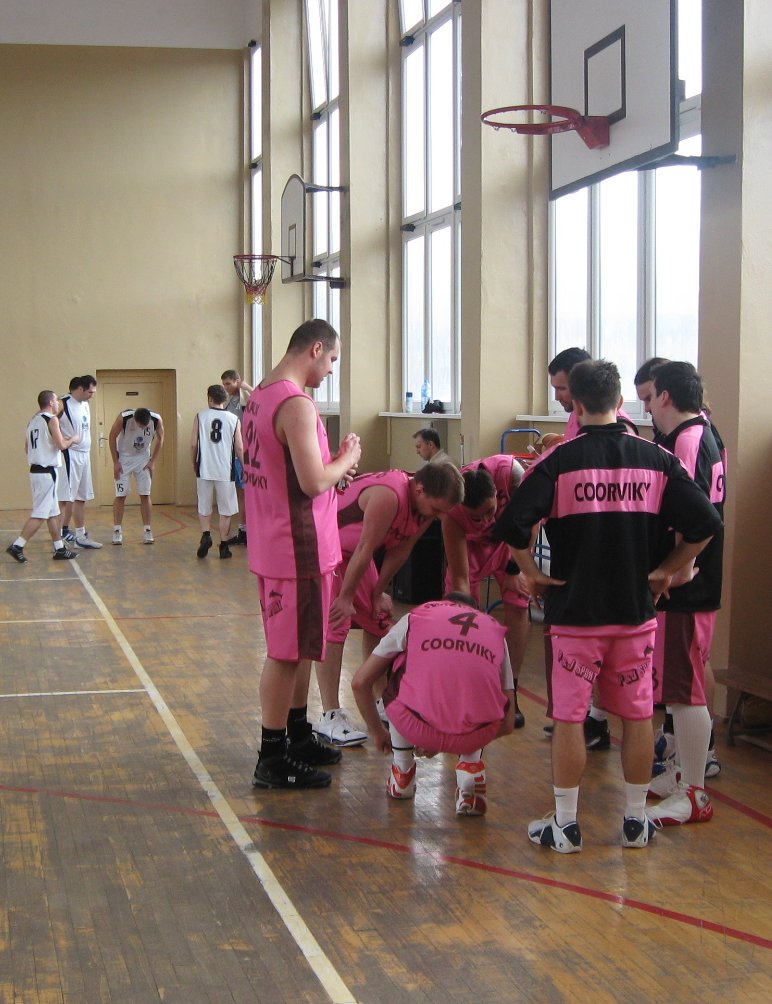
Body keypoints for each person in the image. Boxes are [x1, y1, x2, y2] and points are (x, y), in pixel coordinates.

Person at [493, 359, 722, 853]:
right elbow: (706, 522)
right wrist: (668, 570)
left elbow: (512, 525)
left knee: (571, 719)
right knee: (637, 717)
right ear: (620, 402)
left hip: (575, 616)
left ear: (575, 404)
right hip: (636, 615)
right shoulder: (657, 459)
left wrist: (531, 572)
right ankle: (636, 821)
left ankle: (566, 825)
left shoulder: (558, 462)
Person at [243, 319, 362, 790]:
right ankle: (272, 756)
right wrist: (347, 458)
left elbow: (293, 473)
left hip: (277, 542)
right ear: (315, 349)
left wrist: (333, 472)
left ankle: (295, 732)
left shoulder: (261, 394)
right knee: (285, 654)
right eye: (331, 359)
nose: (331, 369)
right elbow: (312, 482)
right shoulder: (295, 403)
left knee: (300, 647)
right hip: (297, 548)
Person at [314, 463, 465, 746]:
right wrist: (345, 598)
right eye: (437, 509)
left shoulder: (425, 510)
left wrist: (378, 592)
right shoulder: (389, 496)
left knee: (379, 618)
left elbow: (401, 550)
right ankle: (330, 714)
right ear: (419, 490)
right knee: (337, 622)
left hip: (354, 554)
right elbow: (365, 548)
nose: (440, 517)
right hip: (328, 547)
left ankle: (380, 699)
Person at [644, 362, 726, 826]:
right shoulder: (704, 432)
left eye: (651, 396)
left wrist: (673, 574)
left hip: (690, 586)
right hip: (691, 582)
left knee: (686, 691)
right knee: (678, 688)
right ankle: (681, 773)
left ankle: (694, 792)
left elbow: (697, 518)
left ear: (667, 396)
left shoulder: (689, 440)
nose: (648, 407)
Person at [546, 347, 638, 747]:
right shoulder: (575, 423)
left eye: (562, 389)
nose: (558, 397)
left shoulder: (627, 435)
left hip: (607, 568)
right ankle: (586, 717)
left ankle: (593, 719)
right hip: (577, 561)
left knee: (629, 695)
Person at [351, 593, 515, 815]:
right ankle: (470, 766)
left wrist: (378, 732)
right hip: (475, 734)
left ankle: (402, 771)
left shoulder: (415, 618)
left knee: (399, 665)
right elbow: (508, 723)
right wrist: (451, 740)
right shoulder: (494, 631)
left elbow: (360, 683)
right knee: (477, 695)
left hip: (414, 724)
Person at [442, 454, 530, 728]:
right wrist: (468, 611)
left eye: (490, 512)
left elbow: (532, 519)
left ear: (497, 494)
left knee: (519, 600)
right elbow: (460, 577)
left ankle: (510, 691)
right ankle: (468, 688)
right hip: (471, 547)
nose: (484, 521)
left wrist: (516, 568)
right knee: (462, 612)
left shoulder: (513, 475)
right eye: (476, 517)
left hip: (509, 541)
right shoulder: (451, 510)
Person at [6, 391, 80, 563]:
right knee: (40, 513)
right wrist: (73, 439)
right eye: (56, 400)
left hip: (36, 471)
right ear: (51, 402)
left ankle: (59, 548)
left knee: (52, 512)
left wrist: (50, 445)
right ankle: (17, 545)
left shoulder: (32, 421)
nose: (58, 403)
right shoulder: (51, 419)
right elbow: (62, 445)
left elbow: (28, 448)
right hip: (47, 472)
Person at [191, 384, 244, 560]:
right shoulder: (233, 419)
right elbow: (239, 447)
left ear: (210, 398)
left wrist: (194, 462)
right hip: (225, 470)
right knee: (226, 510)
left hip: (204, 468)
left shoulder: (200, 416)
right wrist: (245, 467)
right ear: (225, 399)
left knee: (204, 505)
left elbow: (193, 444)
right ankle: (224, 546)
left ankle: (206, 534)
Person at [108, 406, 164, 545]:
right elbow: (111, 437)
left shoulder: (157, 419)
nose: (142, 428)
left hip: (143, 458)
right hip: (124, 458)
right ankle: (117, 530)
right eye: (140, 425)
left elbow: (161, 438)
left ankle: (147, 530)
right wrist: (116, 462)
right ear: (134, 419)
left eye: (145, 426)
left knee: (145, 494)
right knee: (120, 495)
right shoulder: (123, 418)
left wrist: (153, 461)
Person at [57, 375, 102, 549]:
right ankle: (57, 539)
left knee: (81, 497)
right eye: (90, 392)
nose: (92, 395)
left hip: (84, 454)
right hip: (70, 454)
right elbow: (45, 419)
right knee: (65, 498)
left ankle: (80, 536)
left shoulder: (85, 404)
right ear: (81, 389)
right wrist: (60, 439)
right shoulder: (63, 403)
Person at [221, 369, 254, 545]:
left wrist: (247, 387)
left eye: (229, 383)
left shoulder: (245, 398)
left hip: (244, 452)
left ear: (237, 381)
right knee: (238, 494)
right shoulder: (227, 401)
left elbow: (260, 400)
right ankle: (243, 530)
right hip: (230, 453)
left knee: (246, 493)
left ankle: (249, 531)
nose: (226, 387)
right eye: (224, 384)